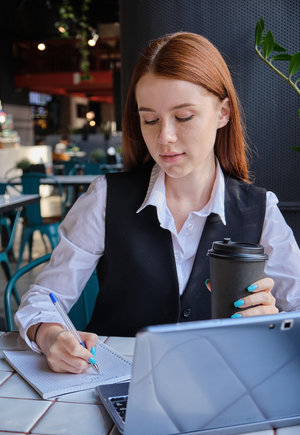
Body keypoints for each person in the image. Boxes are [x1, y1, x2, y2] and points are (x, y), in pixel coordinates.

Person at [15, 32, 300, 374]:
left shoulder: (260, 209)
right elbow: (43, 299)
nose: (164, 137)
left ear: (223, 113)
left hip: (224, 388)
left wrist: (277, 321)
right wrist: (50, 336)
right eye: (149, 119)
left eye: (183, 117)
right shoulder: (105, 198)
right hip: (116, 388)